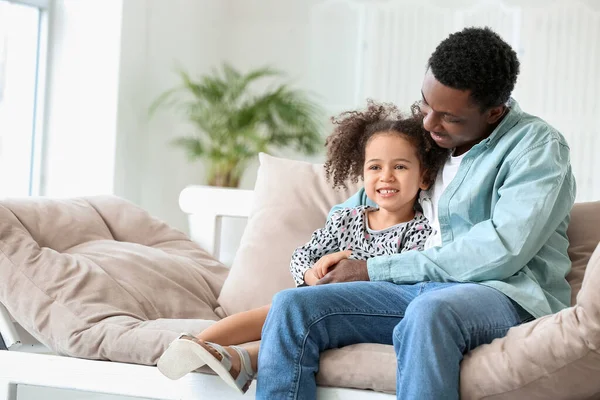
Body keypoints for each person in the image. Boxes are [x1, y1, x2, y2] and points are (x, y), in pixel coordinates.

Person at [256, 27, 576, 399]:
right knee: (292, 307)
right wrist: (324, 261)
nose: (428, 123)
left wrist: (372, 269)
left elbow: (501, 251)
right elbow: (360, 206)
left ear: (494, 112)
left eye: (448, 116)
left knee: (430, 312)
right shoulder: (431, 143)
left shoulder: (537, 147)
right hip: (415, 291)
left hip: (501, 294)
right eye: (426, 104)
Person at [156, 101, 449, 393]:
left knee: (289, 312)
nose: (386, 176)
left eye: (399, 167)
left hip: (356, 312)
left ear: (423, 177)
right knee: (282, 309)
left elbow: (405, 282)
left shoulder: (421, 232)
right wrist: (312, 273)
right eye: (375, 167)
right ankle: (198, 345)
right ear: (363, 174)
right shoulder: (348, 219)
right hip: (318, 300)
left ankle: (237, 357)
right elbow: (303, 255)